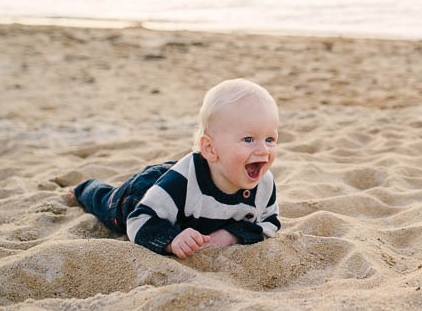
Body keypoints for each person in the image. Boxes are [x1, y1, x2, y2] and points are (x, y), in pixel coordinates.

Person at [70, 78, 281, 258]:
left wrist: (232, 234)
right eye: (248, 139)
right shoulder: (181, 184)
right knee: (108, 206)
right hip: (144, 191)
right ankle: (84, 188)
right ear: (210, 148)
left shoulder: (263, 183)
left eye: (270, 139)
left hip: (184, 184)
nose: (263, 150)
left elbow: (270, 223)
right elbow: (138, 221)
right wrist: (171, 240)